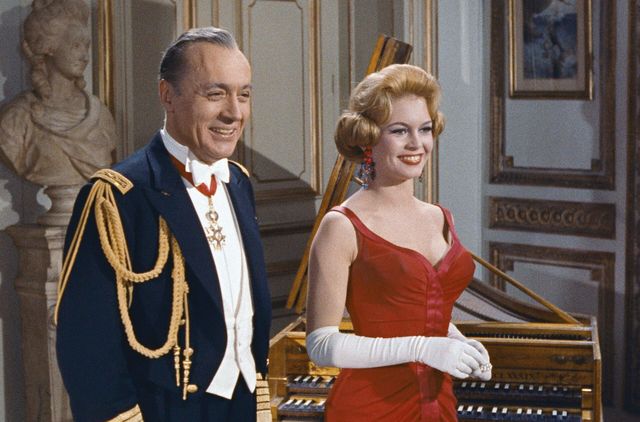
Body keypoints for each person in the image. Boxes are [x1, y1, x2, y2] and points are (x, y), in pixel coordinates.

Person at [55, 27, 271, 421]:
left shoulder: (238, 183)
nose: (234, 113)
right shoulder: (118, 197)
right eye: (216, 94)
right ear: (167, 95)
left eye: (243, 95)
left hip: (242, 404)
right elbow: (85, 342)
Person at [305, 64, 492, 421]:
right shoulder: (341, 226)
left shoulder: (441, 217)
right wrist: (424, 348)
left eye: (425, 129)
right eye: (399, 131)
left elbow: (419, 311)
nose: (416, 144)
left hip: (438, 403)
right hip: (371, 408)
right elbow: (321, 345)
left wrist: (457, 342)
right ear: (368, 138)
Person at [0, 0, 116, 187]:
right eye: (76, 46)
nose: (85, 57)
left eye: (86, 46)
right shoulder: (16, 119)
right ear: (49, 47)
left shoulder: (101, 115)